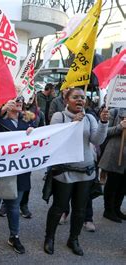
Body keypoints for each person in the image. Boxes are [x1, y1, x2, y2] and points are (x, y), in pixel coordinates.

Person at [44, 88, 109, 256]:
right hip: (65, 172)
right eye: (75, 97)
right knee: (58, 208)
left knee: (80, 210)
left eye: (82, 97)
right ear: (67, 100)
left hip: (85, 172)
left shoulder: (89, 118)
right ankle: (49, 238)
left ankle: (73, 239)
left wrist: (103, 123)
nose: (80, 100)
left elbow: (97, 140)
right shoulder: (59, 116)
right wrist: (73, 123)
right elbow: (56, 139)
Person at [0, 96, 35, 255]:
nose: (18, 103)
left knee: (14, 207)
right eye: (14, 100)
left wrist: (33, 134)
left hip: (20, 172)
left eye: (20, 101)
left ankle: (14, 236)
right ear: (6, 104)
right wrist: (2, 110)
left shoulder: (28, 123)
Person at [99, 107, 126, 223]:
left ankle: (117, 209)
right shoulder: (114, 112)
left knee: (123, 185)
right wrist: (120, 127)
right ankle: (108, 210)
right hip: (116, 154)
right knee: (113, 183)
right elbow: (104, 132)